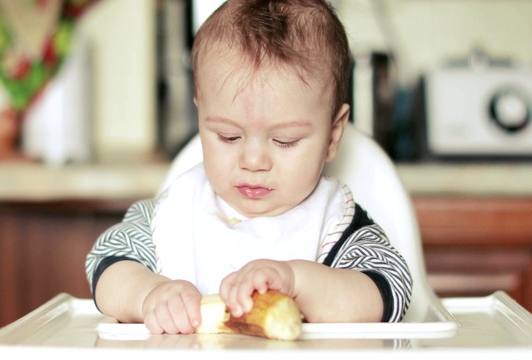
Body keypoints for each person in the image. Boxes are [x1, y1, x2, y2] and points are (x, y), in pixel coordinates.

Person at [86, 0, 412, 336]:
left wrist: (298, 281)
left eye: (284, 141)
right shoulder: (177, 212)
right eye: (229, 137)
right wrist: (148, 295)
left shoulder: (334, 223)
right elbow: (106, 264)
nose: (253, 162)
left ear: (332, 135)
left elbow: (390, 290)